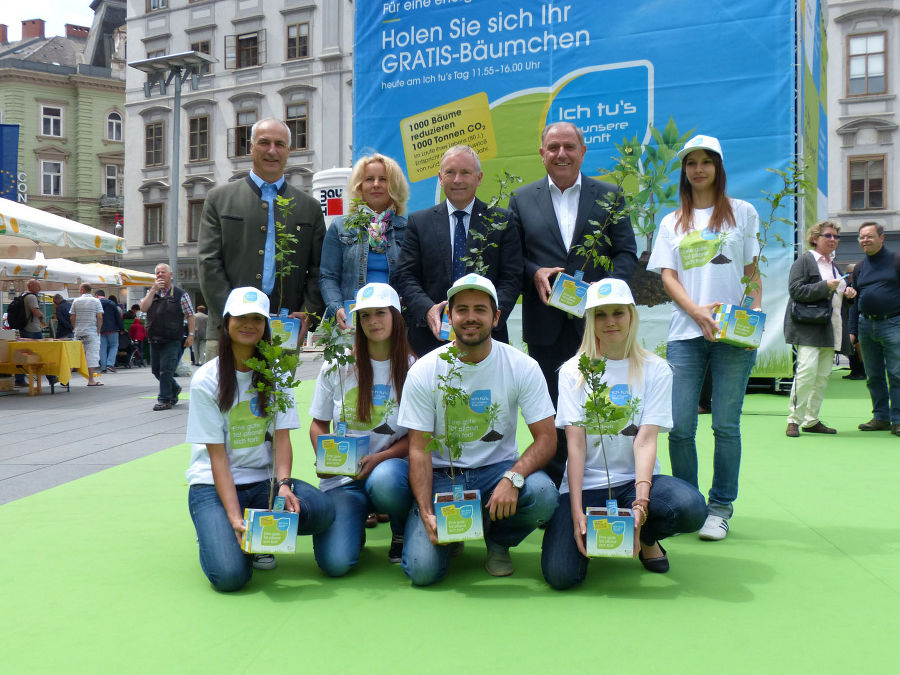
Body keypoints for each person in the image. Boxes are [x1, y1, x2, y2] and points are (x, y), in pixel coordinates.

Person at [540, 279, 706, 589]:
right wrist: (576, 511)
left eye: (618, 312)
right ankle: (594, 528)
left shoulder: (657, 369)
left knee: (690, 506)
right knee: (561, 575)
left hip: (634, 484)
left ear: (631, 315)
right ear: (590, 320)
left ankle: (644, 536)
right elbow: (575, 447)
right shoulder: (573, 371)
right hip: (585, 487)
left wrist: (641, 504)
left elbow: (646, 439)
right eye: (600, 315)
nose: (610, 322)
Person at [398, 274, 558, 586]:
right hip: (445, 475)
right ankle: (450, 528)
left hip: (497, 470)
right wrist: (427, 509)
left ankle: (498, 540)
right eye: (463, 309)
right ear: (449, 315)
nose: (471, 317)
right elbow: (418, 449)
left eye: (481, 310)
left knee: (543, 494)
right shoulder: (425, 371)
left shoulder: (521, 365)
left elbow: (547, 439)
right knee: (422, 571)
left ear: (496, 317)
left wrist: (513, 478)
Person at [509, 121, 638, 487]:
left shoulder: (609, 196)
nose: (561, 153)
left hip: (598, 324)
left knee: (599, 406)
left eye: (569, 146)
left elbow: (626, 254)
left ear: (583, 151)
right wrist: (534, 272)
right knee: (550, 410)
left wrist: (603, 293)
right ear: (542, 154)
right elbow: (514, 257)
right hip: (545, 325)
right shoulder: (521, 199)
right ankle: (553, 489)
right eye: (553, 147)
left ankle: (602, 484)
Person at [647, 134, 760, 542]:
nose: (698, 169)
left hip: (732, 334)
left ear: (718, 167)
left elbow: (751, 272)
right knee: (679, 426)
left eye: (705, 162)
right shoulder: (671, 221)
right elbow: (667, 277)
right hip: (685, 334)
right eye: (690, 162)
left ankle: (720, 507)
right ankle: (689, 502)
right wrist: (695, 313)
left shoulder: (743, 213)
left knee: (727, 426)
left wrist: (750, 322)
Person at [185, 286, 334, 591]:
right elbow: (217, 457)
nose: (248, 324)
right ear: (226, 322)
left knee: (321, 510)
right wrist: (234, 516)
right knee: (230, 577)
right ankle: (220, 527)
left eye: (257, 318)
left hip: (261, 483)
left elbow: (281, 440)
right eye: (240, 317)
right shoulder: (207, 380)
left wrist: (283, 485)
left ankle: (256, 533)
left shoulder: (276, 373)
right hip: (212, 486)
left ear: (266, 326)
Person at [309, 283, 416, 574]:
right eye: (365, 315)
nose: (372, 321)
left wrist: (379, 459)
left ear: (396, 316)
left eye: (380, 313)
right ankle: (354, 525)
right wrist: (325, 457)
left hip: (390, 472)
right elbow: (318, 423)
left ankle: (401, 528)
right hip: (344, 478)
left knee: (386, 481)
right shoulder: (337, 365)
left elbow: (418, 439)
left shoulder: (413, 369)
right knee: (335, 563)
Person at [198, 118, 326, 360]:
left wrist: (308, 315)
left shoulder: (309, 207)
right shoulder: (219, 199)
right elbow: (208, 263)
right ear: (251, 147)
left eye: (280, 144)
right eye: (264, 143)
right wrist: (235, 314)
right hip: (228, 328)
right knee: (226, 396)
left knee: (278, 398)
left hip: (284, 329)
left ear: (289, 150)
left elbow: (319, 270)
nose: (272, 150)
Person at [393, 145, 523, 356]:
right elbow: (406, 276)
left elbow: (512, 277)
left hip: (487, 340)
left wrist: (491, 317)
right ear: (440, 177)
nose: (457, 180)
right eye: (450, 172)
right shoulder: (419, 222)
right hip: (430, 339)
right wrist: (428, 310)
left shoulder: (500, 221)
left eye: (465, 172)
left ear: (479, 178)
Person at [320, 153, 410, 330]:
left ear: (394, 186)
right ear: (359, 186)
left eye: (383, 179)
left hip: (394, 324)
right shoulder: (340, 227)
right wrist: (336, 307)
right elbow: (328, 276)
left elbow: (414, 280)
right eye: (369, 179)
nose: (376, 184)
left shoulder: (408, 230)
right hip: (351, 321)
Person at [784, 220, 857, 437]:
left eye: (836, 236)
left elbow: (836, 299)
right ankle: (793, 420)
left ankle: (811, 419)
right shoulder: (805, 261)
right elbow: (795, 290)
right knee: (806, 372)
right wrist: (824, 286)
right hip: (808, 326)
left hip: (830, 326)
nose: (833, 240)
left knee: (823, 375)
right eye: (828, 235)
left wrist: (848, 294)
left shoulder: (833, 266)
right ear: (815, 238)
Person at [848, 222, 900, 434]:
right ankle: (881, 417)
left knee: (897, 373)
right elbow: (854, 299)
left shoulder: (897, 261)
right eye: (861, 237)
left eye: (869, 236)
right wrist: (853, 330)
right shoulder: (859, 267)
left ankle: (898, 419)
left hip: (894, 324)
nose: (865, 240)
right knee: (874, 375)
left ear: (882, 238)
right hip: (866, 326)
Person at [139, 263, 195, 411]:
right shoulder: (152, 293)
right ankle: (175, 388)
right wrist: (152, 290)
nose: (160, 275)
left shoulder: (180, 294)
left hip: (173, 338)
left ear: (171, 275)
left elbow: (190, 315)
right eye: (157, 273)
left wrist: (191, 334)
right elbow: (143, 308)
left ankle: (164, 399)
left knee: (166, 370)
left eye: (163, 272)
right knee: (156, 370)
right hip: (154, 337)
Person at [69, 283, 103, 386]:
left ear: (83, 290)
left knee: (75, 355)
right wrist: (98, 330)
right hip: (91, 331)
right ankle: (91, 380)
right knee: (91, 355)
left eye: (80, 289)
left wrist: (75, 327)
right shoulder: (96, 301)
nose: (79, 291)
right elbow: (100, 317)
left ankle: (66, 378)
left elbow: (72, 317)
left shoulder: (76, 301)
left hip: (78, 332)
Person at [95, 290, 124, 373]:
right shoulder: (111, 303)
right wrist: (121, 329)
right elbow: (118, 317)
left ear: (97, 295)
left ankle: (103, 367)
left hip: (100, 330)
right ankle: (110, 364)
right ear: (104, 295)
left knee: (102, 348)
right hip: (112, 329)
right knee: (114, 346)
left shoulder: (95, 303)